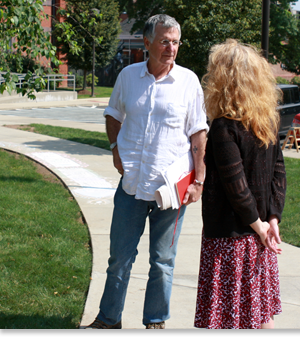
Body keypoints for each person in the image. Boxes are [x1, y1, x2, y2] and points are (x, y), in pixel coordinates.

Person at [86, 14, 209, 329]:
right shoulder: (128, 76)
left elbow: (198, 133)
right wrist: (115, 149)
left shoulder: (188, 82)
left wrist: (198, 179)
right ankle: (109, 319)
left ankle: (155, 321)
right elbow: (113, 114)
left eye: (175, 42)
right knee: (119, 260)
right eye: (164, 41)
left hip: (170, 189)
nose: (171, 48)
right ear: (147, 43)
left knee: (163, 262)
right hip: (131, 186)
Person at [194, 39, 286, 329]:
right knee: (259, 316)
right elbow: (279, 174)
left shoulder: (224, 127)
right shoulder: (266, 122)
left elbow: (237, 187)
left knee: (230, 319)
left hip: (231, 239)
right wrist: (272, 218)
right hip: (258, 236)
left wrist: (261, 225)